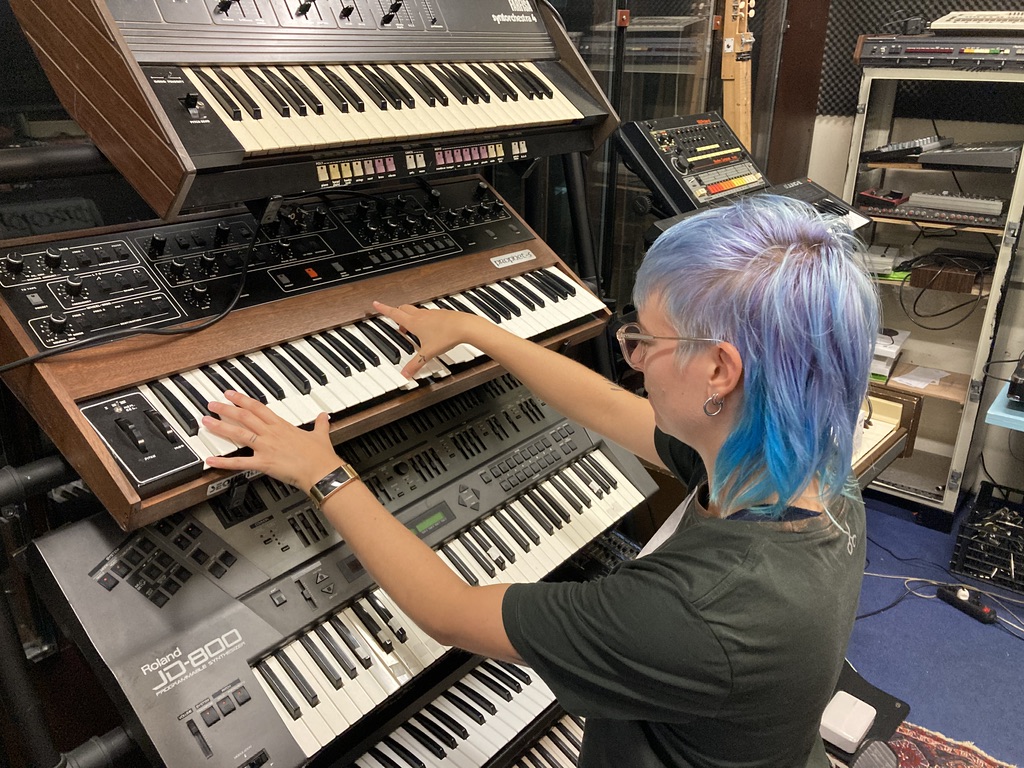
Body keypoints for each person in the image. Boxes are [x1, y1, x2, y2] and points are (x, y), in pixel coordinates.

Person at [201, 193, 879, 767]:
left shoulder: (692, 611)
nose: (633, 361)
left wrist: (323, 473)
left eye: (644, 340)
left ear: (719, 372)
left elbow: (449, 612)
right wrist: (480, 332)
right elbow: (610, 408)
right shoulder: (811, 472)